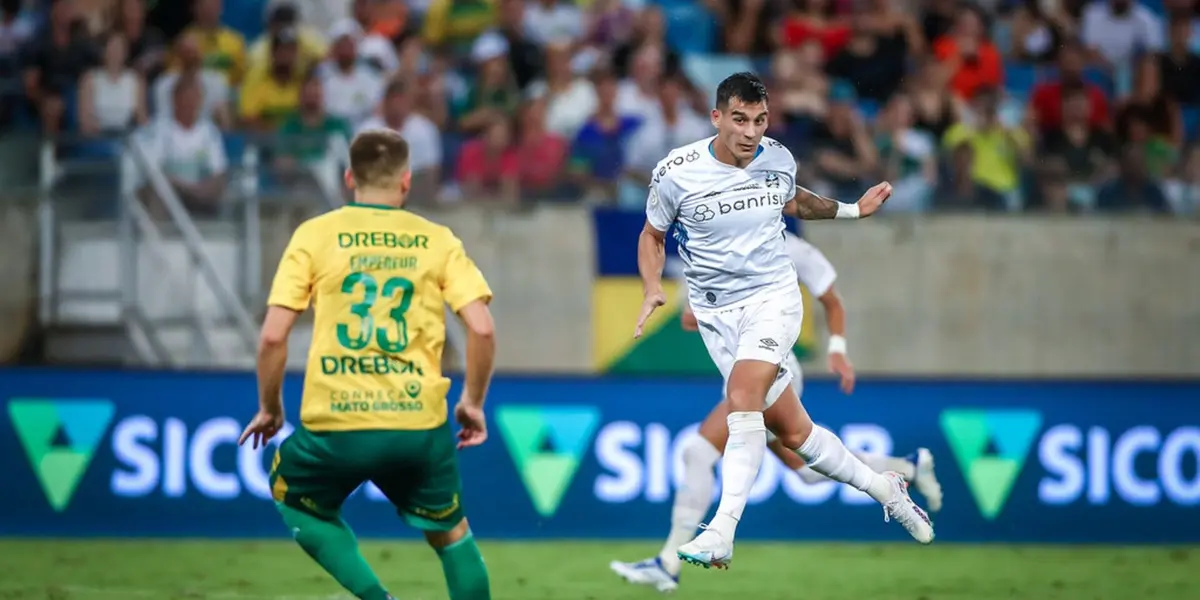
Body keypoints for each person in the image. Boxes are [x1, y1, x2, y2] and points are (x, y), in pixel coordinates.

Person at [633, 72, 934, 570]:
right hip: (715, 314)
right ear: (716, 118)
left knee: (743, 397)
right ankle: (887, 487)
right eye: (739, 119)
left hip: (773, 298)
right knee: (796, 436)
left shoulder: (777, 157)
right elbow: (652, 235)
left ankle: (722, 531)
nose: (751, 132)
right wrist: (650, 288)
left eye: (760, 120)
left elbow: (793, 200)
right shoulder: (676, 171)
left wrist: (853, 211)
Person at [237, 130, 496, 600]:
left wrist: (270, 408)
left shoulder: (314, 236)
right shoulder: (436, 240)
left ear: (349, 177)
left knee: (295, 497)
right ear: (406, 182)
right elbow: (481, 328)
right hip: (418, 422)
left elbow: (273, 335)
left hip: (338, 422)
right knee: (451, 535)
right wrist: (472, 403)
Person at [612, 230, 944, 591]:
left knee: (699, 451)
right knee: (806, 466)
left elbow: (832, 300)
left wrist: (836, 348)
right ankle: (905, 468)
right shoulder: (719, 241)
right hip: (743, 371)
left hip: (769, 367)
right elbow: (690, 317)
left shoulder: (790, 249)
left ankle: (678, 557)